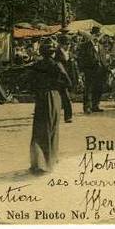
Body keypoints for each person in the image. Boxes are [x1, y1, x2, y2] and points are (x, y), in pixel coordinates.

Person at [29, 40, 71, 174]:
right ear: (53, 53)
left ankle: (38, 162)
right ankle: (50, 160)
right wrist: (55, 84)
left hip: (40, 97)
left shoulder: (36, 65)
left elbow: (29, 82)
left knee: (39, 129)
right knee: (52, 128)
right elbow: (68, 82)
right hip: (53, 97)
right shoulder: (56, 65)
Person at [77, 25, 110, 114]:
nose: (96, 37)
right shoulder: (85, 46)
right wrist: (82, 71)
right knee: (88, 89)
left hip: (100, 71)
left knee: (98, 88)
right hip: (89, 71)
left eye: (98, 35)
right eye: (95, 35)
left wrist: (106, 67)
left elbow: (104, 58)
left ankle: (95, 105)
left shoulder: (101, 46)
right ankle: (87, 107)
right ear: (91, 35)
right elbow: (81, 59)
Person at [55, 35, 78, 123]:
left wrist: (77, 77)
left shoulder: (70, 53)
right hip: (61, 79)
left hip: (69, 78)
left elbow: (74, 67)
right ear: (60, 44)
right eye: (66, 44)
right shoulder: (56, 53)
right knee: (66, 98)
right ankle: (68, 117)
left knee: (63, 98)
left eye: (68, 44)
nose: (68, 46)